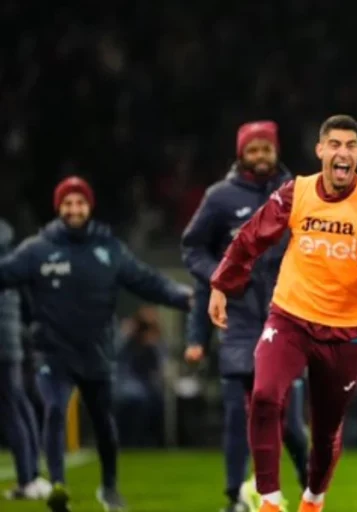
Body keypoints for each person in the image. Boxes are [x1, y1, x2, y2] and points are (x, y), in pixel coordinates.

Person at [208, 114, 357, 512]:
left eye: (350, 146)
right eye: (335, 145)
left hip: (346, 333)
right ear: (321, 150)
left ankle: (314, 498)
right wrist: (222, 283)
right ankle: (270, 500)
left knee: (325, 432)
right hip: (289, 319)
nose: (342, 153)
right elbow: (251, 237)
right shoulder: (296, 193)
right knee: (264, 396)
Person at [0, 176, 193, 512]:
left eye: (80, 203)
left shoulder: (109, 249)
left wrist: (184, 298)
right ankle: (58, 489)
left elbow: (146, 281)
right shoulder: (37, 249)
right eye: (68, 204)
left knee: (104, 423)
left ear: (89, 206)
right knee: (55, 410)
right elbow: (4, 272)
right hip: (53, 352)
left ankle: (109, 487)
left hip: (96, 354)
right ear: (59, 208)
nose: (74, 209)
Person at [180, 120, 310, 512]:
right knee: (239, 415)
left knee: (287, 423)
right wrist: (222, 276)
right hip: (237, 322)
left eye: (265, 149)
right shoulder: (219, 198)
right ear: (240, 154)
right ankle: (236, 496)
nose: (259, 156)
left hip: (287, 318)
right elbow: (192, 248)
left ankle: (309, 486)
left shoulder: (300, 193)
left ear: (276, 151)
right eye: (252, 150)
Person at [0, 218, 49, 501]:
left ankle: (27, 478)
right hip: (11, 340)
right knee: (18, 403)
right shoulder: (12, 253)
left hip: (3, 341)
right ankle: (31, 476)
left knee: (12, 408)